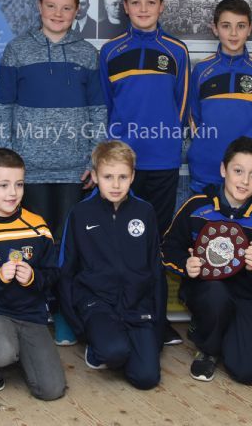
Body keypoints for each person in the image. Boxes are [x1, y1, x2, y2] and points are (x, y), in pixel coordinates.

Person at [0, 0, 106, 345]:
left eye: (67, 7)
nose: (58, 13)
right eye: (52, 6)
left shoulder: (87, 54)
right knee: (35, 245)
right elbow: (3, 108)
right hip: (29, 170)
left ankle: (65, 313)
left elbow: (98, 110)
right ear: (39, 6)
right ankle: (36, 310)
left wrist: (95, 158)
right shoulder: (17, 50)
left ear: (76, 11)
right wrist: (6, 163)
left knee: (68, 246)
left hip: (75, 170)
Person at [99, 0, 189, 345]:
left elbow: (181, 108)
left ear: (162, 6)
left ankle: (157, 319)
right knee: (120, 241)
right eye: (135, 2)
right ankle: (120, 316)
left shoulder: (177, 51)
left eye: (151, 2)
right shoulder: (110, 52)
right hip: (121, 167)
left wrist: (163, 140)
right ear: (125, 7)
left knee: (155, 241)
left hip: (162, 161)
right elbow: (106, 107)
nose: (143, 9)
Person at [162, 137, 252, 384]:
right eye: (238, 171)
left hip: (247, 299)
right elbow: (168, 248)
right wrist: (186, 264)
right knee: (215, 292)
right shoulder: (196, 207)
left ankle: (232, 335)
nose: (245, 181)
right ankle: (207, 347)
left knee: (250, 372)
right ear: (223, 170)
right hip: (208, 292)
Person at [59, 140, 163, 390]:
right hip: (96, 302)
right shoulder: (80, 213)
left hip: (136, 304)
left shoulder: (145, 212)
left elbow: (156, 269)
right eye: (108, 177)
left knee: (147, 378)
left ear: (133, 176)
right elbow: (66, 269)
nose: (116, 185)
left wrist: (157, 325)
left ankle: (122, 342)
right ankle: (99, 347)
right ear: (95, 176)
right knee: (115, 351)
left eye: (122, 177)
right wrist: (79, 327)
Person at [0, 148, 66, 400]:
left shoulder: (37, 226)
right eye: (3, 185)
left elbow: (54, 275)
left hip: (30, 314)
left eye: (19, 184)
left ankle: (20, 351)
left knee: (51, 390)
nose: (13, 192)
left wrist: (33, 278)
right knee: (2, 351)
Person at [187, 0, 252, 195]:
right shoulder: (201, 70)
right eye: (226, 26)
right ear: (215, 29)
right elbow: (193, 117)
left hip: (246, 175)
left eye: (240, 26)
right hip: (206, 169)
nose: (233, 33)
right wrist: (206, 145)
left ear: (249, 29)